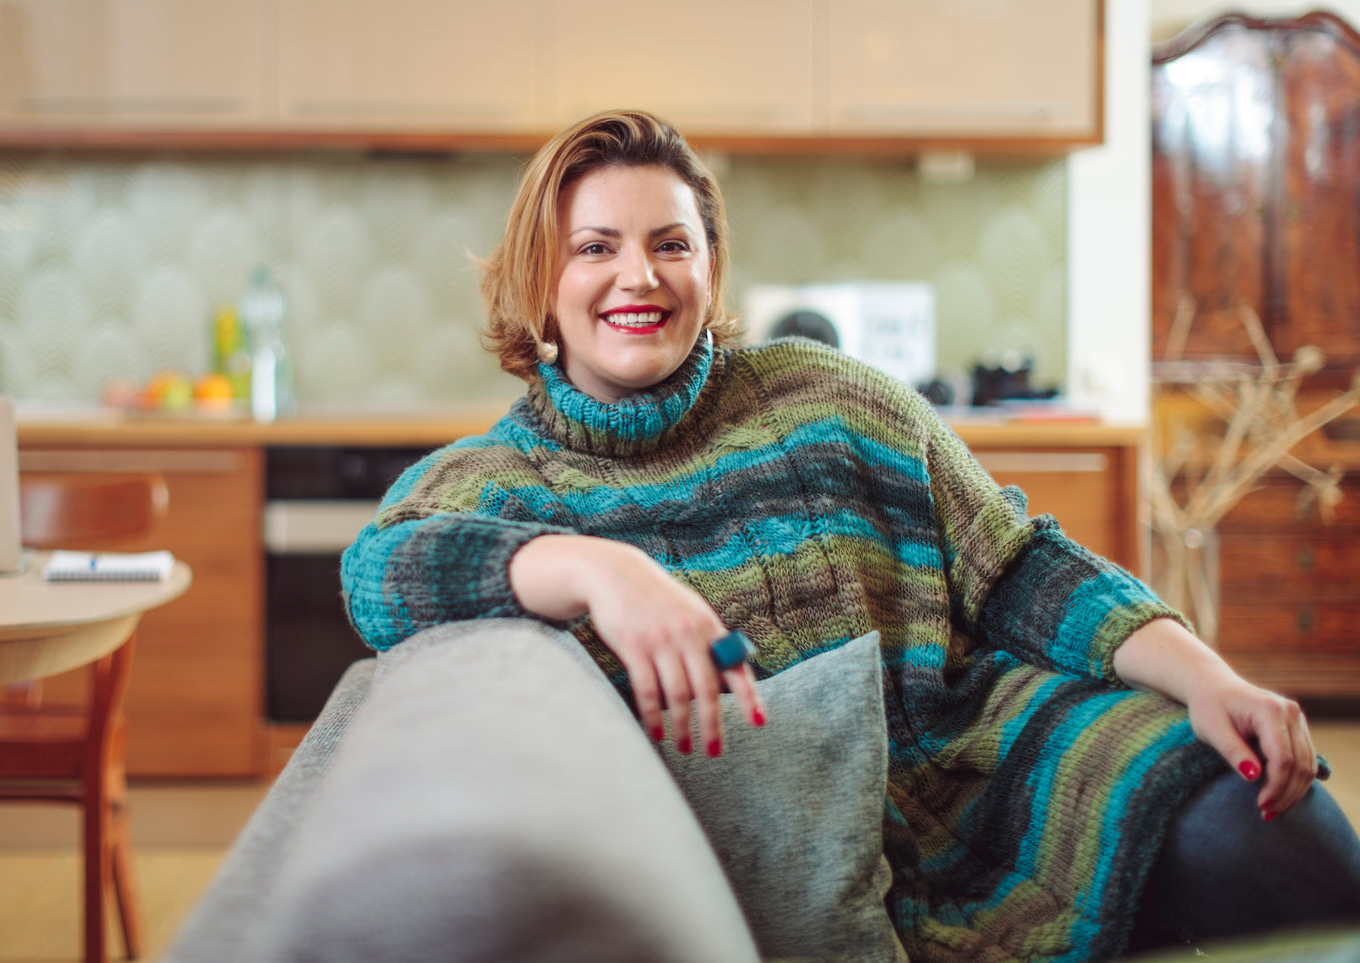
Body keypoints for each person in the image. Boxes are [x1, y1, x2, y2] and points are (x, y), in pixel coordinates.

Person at [341, 109, 1360, 960]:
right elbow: (378, 571)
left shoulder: (827, 394)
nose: (638, 277)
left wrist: (1210, 680)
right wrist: (588, 566)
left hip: (984, 754)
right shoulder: (499, 478)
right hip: (796, 841)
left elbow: (1014, 565)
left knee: (1277, 821)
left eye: (670, 243)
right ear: (538, 284)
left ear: (709, 266)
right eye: (594, 248)